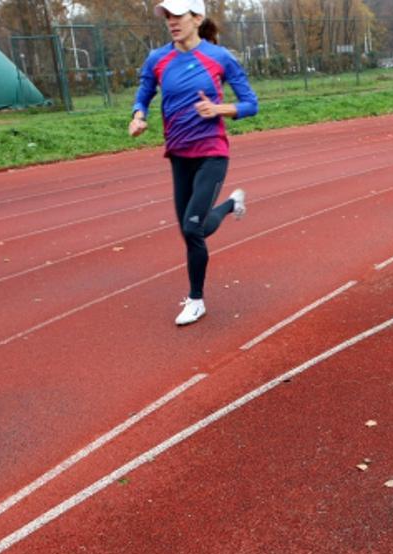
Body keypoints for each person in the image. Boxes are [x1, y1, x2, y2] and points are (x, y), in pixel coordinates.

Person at [129, 0, 258, 325]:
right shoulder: (158, 59)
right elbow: (144, 92)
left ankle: (196, 300)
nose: (172, 22)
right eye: (167, 16)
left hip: (212, 153)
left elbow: (251, 104)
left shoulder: (219, 57)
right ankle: (231, 204)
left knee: (192, 227)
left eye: (178, 15)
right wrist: (138, 115)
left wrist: (219, 110)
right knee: (191, 231)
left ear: (197, 18)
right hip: (178, 155)